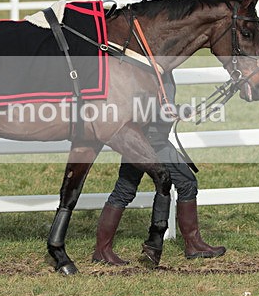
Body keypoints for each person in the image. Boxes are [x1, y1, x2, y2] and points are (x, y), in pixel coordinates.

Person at [92, 74, 226, 265]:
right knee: (186, 182)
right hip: (153, 142)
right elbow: (142, 106)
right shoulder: (148, 71)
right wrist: (177, 110)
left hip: (140, 140)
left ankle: (102, 250)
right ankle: (192, 244)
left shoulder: (161, 71)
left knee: (124, 190)